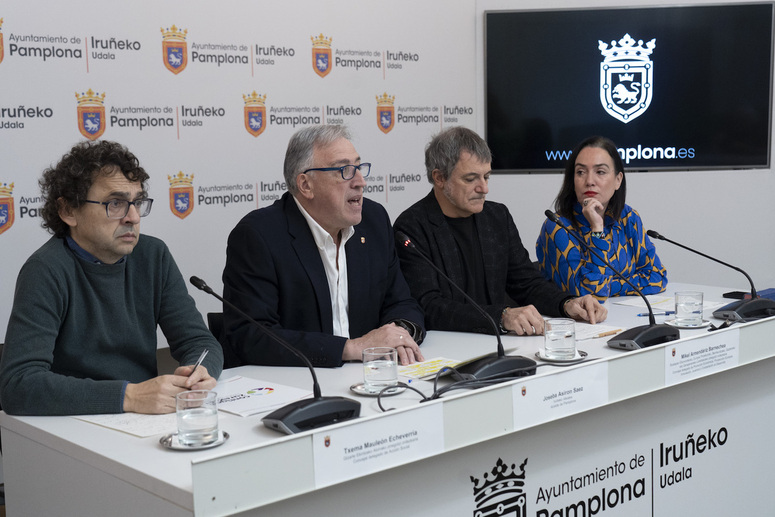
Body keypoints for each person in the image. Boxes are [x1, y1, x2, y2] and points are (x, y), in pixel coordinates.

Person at [0, 141, 223, 416]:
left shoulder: (154, 255)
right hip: (74, 427)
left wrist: (201, 371)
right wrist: (128, 396)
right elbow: (19, 385)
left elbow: (199, 342)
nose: (132, 217)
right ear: (69, 210)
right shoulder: (45, 269)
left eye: (137, 202)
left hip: (142, 422)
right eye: (116, 203)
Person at [221, 124, 425, 368]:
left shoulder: (374, 221)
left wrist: (399, 335)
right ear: (306, 185)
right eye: (345, 171)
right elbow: (251, 335)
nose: (361, 182)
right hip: (298, 384)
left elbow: (401, 302)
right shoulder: (259, 236)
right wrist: (349, 349)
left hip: (370, 376)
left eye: (359, 168)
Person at [393, 126, 606, 336]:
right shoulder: (412, 227)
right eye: (471, 179)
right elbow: (429, 306)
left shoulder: (497, 216)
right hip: (448, 348)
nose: (484, 188)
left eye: (486, 177)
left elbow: (527, 283)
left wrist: (566, 303)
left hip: (499, 345)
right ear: (439, 178)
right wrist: (502, 317)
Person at [536, 135, 668, 300]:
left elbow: (657, 277)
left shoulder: (628, 218)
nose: (589, 181)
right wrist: (597, 228)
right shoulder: (557, 226)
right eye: (580, 172)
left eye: (600, 172)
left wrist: (608, 286)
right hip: (575, 324)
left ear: (617, 180)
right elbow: (590, 294)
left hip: (624, 317)